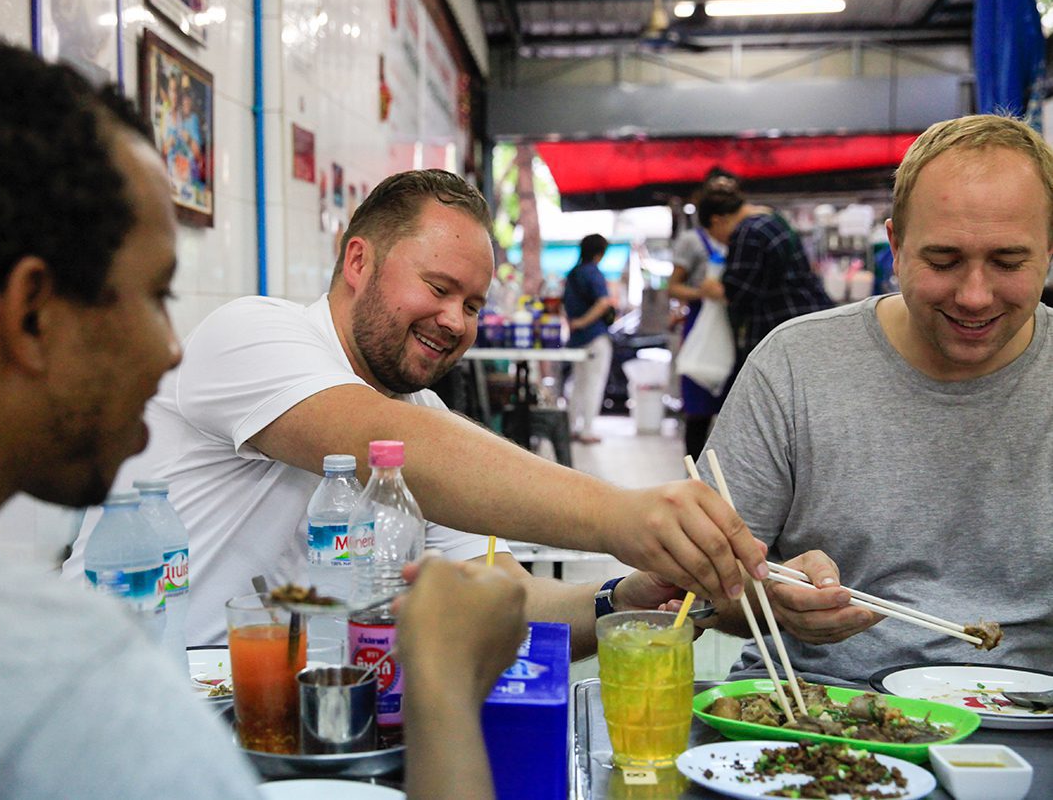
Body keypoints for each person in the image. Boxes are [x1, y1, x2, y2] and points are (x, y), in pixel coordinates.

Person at [0, 38, 527, 799]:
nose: (169, 348)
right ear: (31, 316)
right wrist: (443, 687)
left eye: (472, 303)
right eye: (153, 296)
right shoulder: (58, 690)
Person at [64, 169, 769, 659]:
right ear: (358, 260)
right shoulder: (252, 334)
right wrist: (625, 517)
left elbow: (504, 600)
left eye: (471, 305)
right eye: (437, 287)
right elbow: (379, 441)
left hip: (312, 727)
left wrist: (627, 596)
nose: (454, 322)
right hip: (149, 700)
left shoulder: (423, 419)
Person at [699, 113, 1053, 684]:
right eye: (942, 261)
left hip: (1027, 719)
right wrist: (772, 597)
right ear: (895, 245)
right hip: (816, 713)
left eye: (1009, 262)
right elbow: (701, 587)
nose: (974, 295)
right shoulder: (796, 365)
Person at [717, 189, 834, 366]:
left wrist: (718, 290)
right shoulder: (774, 219)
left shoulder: (748, 231)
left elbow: (740, 291)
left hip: (778, 323)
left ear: (716, 220)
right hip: (807, 318)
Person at [669, 189, 734, 460]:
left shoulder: (738, 239)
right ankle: (694, 473)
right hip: (700, 325)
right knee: (698, 408)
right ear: (717, 218)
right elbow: (673, 287)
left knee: (731, 409)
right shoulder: (691, 242)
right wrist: (703, 293)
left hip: (729, 327)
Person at [563, 233, 617, 443]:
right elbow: (603, 302)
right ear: (600, 253)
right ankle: (587, 430)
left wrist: (575, 324)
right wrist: (585, 322)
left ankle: (570, 426)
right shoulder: (593, 273)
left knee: (578, 383)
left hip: (577, 339)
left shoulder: (572, 274)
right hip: (595, 337)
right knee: (593, 384)